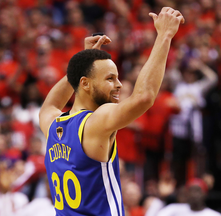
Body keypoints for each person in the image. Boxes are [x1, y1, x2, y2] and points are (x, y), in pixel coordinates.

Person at [39, 7, 185, 216]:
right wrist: (165, 35)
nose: (118, 85)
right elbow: (144, 97)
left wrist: (83, 59)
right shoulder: (95, 122)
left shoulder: (53, 125)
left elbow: (49, 106)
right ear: (85, 84)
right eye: (110, 78)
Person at [155, 178, 221, 216]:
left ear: (205, 194)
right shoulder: (174, 209)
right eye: (191, 191)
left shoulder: (213, 215)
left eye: (198, 191)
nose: (194, 194)